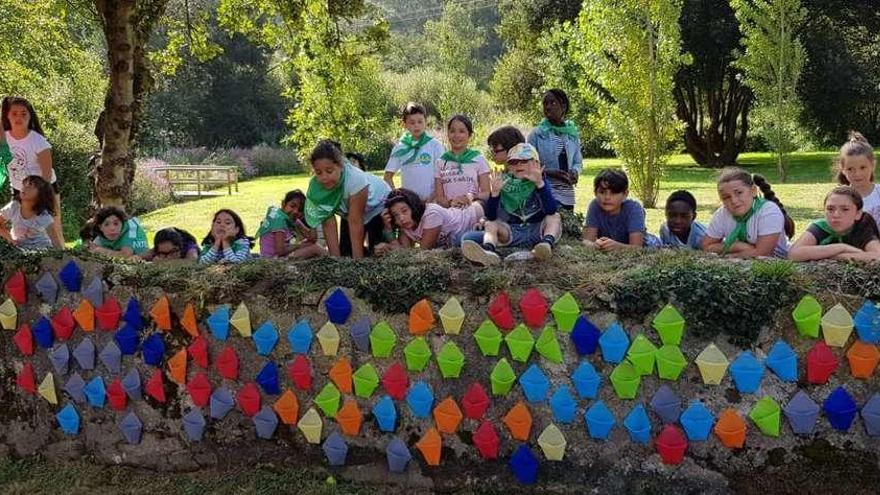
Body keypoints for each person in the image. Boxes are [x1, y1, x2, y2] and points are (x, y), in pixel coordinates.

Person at [460, 143, 561, 266]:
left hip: (537, 230)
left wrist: (539, 184)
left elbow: (550, 209)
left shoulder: (541, 182)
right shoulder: (504, 184)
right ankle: (488, 252)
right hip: (512, 231)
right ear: (509, 166)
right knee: (478, 231)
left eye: (523, 161)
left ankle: (546, 245)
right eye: (513, 162)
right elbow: (491, 216)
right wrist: (495, 193)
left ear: (536, 163)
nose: (518, 165)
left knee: (554, 217)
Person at [306, 140, 391, 258]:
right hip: (348, 211)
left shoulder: (355, 180)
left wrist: (357, 262)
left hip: (378, 205)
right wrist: (336, 261)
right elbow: (328, 224)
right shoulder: (317, 188)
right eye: (318, 172)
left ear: (340, 166)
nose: (324, 177)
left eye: (329, 171)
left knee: (376, 251)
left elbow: (355, 221)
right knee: (345, 253)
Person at [1, 97, 64, 246]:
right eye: (14, 113)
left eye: (24, 114)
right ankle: (22, 253)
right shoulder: (4, 139)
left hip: (45, 188)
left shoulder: (38, 141)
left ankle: (62, 258)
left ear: (30, 117)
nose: (19, 117)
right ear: (7, 116)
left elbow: (47, 174)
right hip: (19, 188)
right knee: (19, 227)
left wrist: (39, 197)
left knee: (54, 226)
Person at [701, 168, 793, 258]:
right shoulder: (722, 214)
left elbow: (763, 253)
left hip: (778, 262)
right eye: (726, 197)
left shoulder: (769, 211)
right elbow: (706, 246)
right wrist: (737, 246)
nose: (733, 200)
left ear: (753, 191)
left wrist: (728, 256)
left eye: (739, 193)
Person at [376, 188, 483, 252]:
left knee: (462, 240)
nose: (401, 218)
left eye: (404, 211)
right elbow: (405, 253)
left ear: (413, 207)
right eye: (395, 215)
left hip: (476, 213)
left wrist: (390, 249)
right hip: (460, 237)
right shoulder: (405, 224)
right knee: (461, 241)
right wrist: (388, 230)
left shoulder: (431, 215)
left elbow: (423, 252)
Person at [789, 186, 880, 261]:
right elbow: (794, 254)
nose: (836, 215)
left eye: (845, 209)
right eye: (830, 209)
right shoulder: (820, 227)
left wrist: (840, 257)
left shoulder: (862, 228)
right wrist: (841, 247)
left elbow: (877, 256)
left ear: (858, 214)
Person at [527, 89, 583, 210]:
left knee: (566, 227)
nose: (547, 107)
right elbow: (528, 164)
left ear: (563, 106)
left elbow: (578, 162)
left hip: (567, 193)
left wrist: (575, 172)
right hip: (544, 190)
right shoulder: (537, 134)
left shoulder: (572, 134)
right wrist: (550, 172)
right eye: (545, 104)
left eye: (552, 103)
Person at [582, 169, 658, 250]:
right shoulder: (595, 206)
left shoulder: (634, 208)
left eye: (613, 193)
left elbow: (637, 247)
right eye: (602, 192)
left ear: (625, 194)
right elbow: (587, 241)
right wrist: (594, 245)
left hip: (649, 244)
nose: (607, 197)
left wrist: (618, 247)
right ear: (595, 193)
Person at [383, 102, 445, 201]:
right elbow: (387, 177)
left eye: (420, 121)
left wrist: (432, 198)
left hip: (433, 202)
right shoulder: (400, 147)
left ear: (425, 122)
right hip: (410, 205)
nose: (416, 125)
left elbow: (443, 175)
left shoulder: (435, 145)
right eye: (412, 122)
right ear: (404, 124)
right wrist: (399, 199)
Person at [433, 114, 490, 208]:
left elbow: (486, 193)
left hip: (472, 211)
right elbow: (439, 198)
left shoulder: (478, 159)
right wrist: (451, 203)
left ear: (470, 135)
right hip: (449, 213)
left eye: (462, 131)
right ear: (447, 134)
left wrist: (469, 198)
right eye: (452, 131)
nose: (456, 135)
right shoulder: (441, 162)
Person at [255, 190, 324, 259]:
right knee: (315, 248)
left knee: (313, 245)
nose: (295, 211)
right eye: (292, 206)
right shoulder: (279, 220)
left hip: (280, 255)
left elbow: (311, 238)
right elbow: (280, 251)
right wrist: (299, 245)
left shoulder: (291, 219)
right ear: (283, 204)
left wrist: (312, 219)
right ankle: (333, 262)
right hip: (273, 260)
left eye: (300, 209)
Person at [0, 175, 59, 250]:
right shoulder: (14, 206)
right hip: (18, 249)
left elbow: (56, 243)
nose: (24, 188)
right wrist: (10, 239)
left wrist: (64, 259)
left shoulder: (43, 216)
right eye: (24, 185)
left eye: (30, 185)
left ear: (41, 194)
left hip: (41, 249)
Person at [834, 131, 879, 228]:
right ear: (842, 169)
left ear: (873, 165)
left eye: (862, 168)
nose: (857, 174)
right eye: (850, 169)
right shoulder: (838, 198)